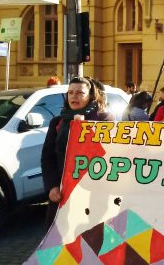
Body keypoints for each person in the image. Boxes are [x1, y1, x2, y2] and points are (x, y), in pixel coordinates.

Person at [41, 77, 115, 227]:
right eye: (70, 92)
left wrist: (84, 130)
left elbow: (109, 152)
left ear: (90, 96)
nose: (74, 96)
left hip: (93, 193)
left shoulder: (104, 119)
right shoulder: (57, 122)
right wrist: (52, 186)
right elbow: (47, 157)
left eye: (80, 93)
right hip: (63, 192)